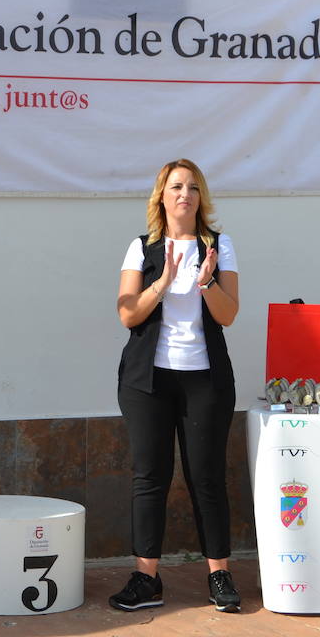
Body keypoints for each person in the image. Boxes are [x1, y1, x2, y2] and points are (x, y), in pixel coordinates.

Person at [109, 159, 242, 613]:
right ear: (161, 196)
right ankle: (146, 579)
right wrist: (163, 282)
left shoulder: (220, 246)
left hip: (205, 379)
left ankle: (219, 574)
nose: (184, 194)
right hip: (148, 380)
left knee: (207, 477)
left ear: (200, 197)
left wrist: (205, 283)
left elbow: (228, 315)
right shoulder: (141, 248)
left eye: (192, 187)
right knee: (150, 477)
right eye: (175, 186)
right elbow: (128, 313)